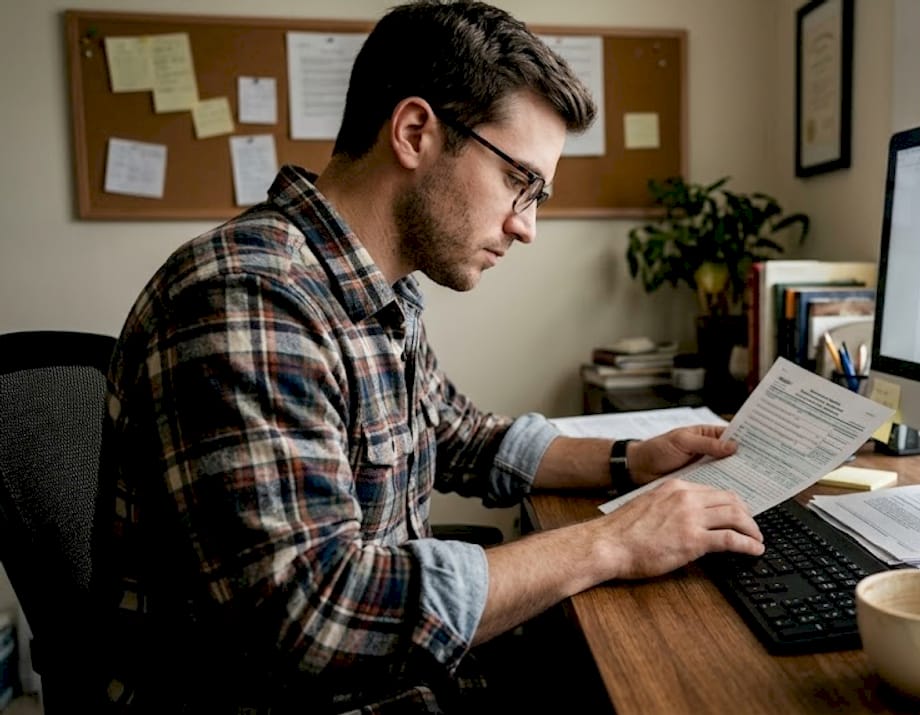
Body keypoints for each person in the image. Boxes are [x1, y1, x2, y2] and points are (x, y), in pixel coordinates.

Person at [97, 1, 764, 712]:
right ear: (416, 132)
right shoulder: (250, 297)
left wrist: (632, 458)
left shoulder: (369, 288)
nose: (526, 226)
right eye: (520, 182)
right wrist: (611, 543)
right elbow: (318, 614)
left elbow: (458, 434)